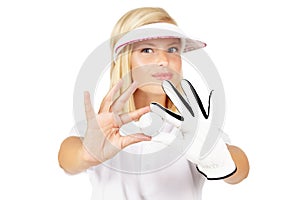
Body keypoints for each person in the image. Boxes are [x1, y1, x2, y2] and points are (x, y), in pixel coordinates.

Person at [58, 7, 249, 199]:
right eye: (147, 49)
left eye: (172, 49)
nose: (163, 60)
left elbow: (241, 169)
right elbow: (67, 158)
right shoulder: (99, 128)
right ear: (124, 61)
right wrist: (86, 154)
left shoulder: (192, 126)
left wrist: (220, 161)